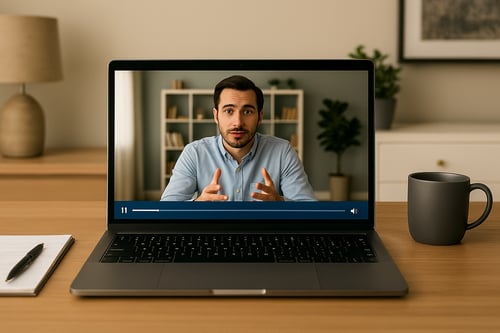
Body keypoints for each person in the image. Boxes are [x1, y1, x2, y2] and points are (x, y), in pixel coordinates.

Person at [160, 75, 316, 201]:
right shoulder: (194, 152)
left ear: (260, 116)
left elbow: (309, 210)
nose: (238, 122)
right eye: (229, 111)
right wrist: (199, 204)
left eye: (247, 112)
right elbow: (167, 208)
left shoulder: (283, 152)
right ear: (216, 116)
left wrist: (280, 203)